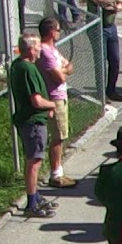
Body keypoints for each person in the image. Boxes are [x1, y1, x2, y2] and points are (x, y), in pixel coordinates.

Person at [9, 32, 58, 219]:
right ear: (30, 49)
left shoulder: (18, 66)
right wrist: (53, 104)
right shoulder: (28, 69)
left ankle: (36, 196)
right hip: (33, 122)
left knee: (34, 159)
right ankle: (31, 203)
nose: (39, 50)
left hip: (28, 120)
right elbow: (36, 101)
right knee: (34, 162)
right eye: (37, 47)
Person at [35, 18, 77, 189]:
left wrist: (64, 70)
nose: (59, 32)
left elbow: (70, 66)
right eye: (58, 30)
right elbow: (59, 76)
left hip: (61, 95)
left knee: (61, 135)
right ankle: (56, 174)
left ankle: (57, 170)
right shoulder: (45, 51)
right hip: (55, 97)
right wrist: (64, 71)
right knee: (58, 136)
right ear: (52, 32)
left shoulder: (54, 50)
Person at [84, 0, 122, 102]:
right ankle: (101, 93)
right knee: (100, 60)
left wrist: (113, 7)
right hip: (98, 28)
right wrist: (115, 0)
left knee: (115, 60)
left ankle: (111, 90)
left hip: (111, 26)